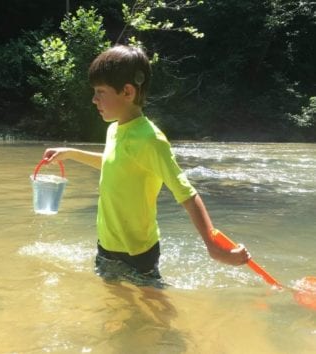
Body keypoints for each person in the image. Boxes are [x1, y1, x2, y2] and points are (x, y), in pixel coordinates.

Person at [42, 45, 251, 285]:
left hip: (139, 251)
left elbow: (186, 194)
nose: (94, 99)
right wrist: (70, 153)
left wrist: (213, 245)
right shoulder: (114, 129)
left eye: (100, 92)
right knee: (113, 307)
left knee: (155, 308)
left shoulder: (151, 139)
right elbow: (114, 165)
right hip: (106, 244)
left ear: (127, 92)